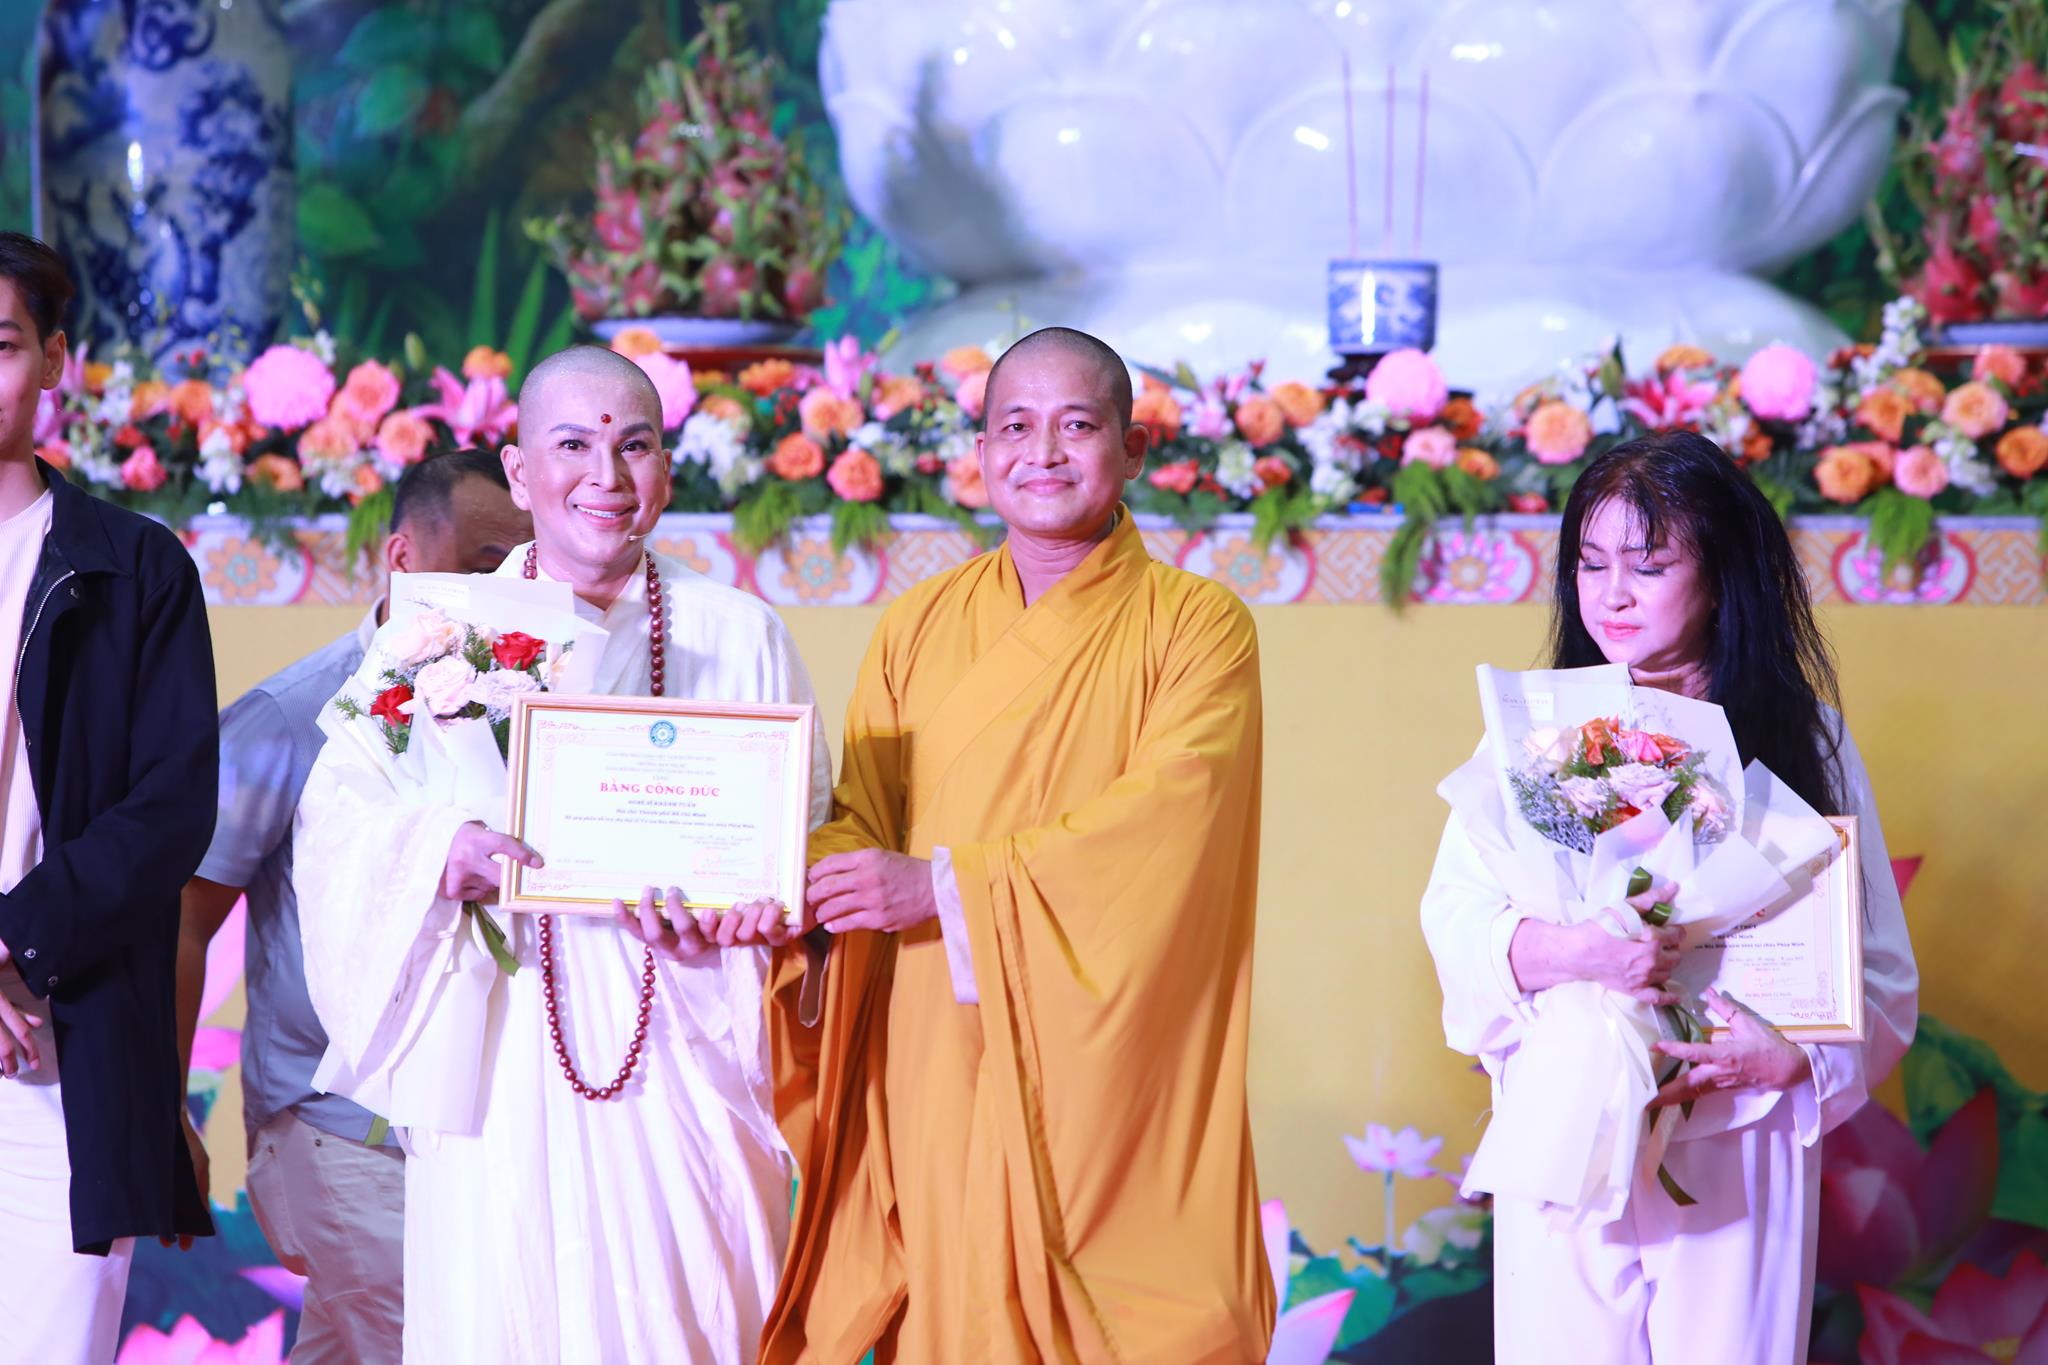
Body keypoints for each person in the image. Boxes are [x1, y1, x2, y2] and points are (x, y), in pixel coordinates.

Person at [292, 344, 831, 1364]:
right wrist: (440, 852)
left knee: (697, 1314)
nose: (605, 477)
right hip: (505, 1058)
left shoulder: (741, 634)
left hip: (689, 1046)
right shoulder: (441, 638)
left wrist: (757, 917)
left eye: (635, 446)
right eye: (573, 446)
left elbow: (798, 842)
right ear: (520, 470)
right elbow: (336, 826)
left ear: (666, 468)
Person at [760, 327, 1275, 1363]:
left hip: (1107, 1051)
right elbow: (864, 810)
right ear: (981, 451)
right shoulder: (915, 625)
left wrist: (942, 887)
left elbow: (1166, 825)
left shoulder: (1198, 626)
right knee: (951, 1297)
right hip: (927, 1028)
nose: (1042, 453)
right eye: (1015, 427)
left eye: (1075, 426)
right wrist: (810, 885)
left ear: (1132, 449)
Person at [1419, 430, 1919, 1364]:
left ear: (1721, 578)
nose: (1612, 593)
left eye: (1648, 566)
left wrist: (1796, 1064)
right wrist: (1581, 953)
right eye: (1591, 563)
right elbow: (1456, 918)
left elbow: (1880, 969)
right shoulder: (1530, 735)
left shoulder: (1806, 739)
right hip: (1568, 1118)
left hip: (1740, 1129)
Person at [174, 448, 531, 1364]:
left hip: (470, 1133)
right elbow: (184, 917)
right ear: (404, 559)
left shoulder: (531, 705)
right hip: (339, 1129)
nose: (512, 589)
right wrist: (164, 1108)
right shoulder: (290, 716)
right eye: (488, 563)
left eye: (527, 565)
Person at [0, 230, 217, 1359]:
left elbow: (170, 807)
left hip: (58, 1052)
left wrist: (13, 939)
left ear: (54, 361)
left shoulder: (135, 568)